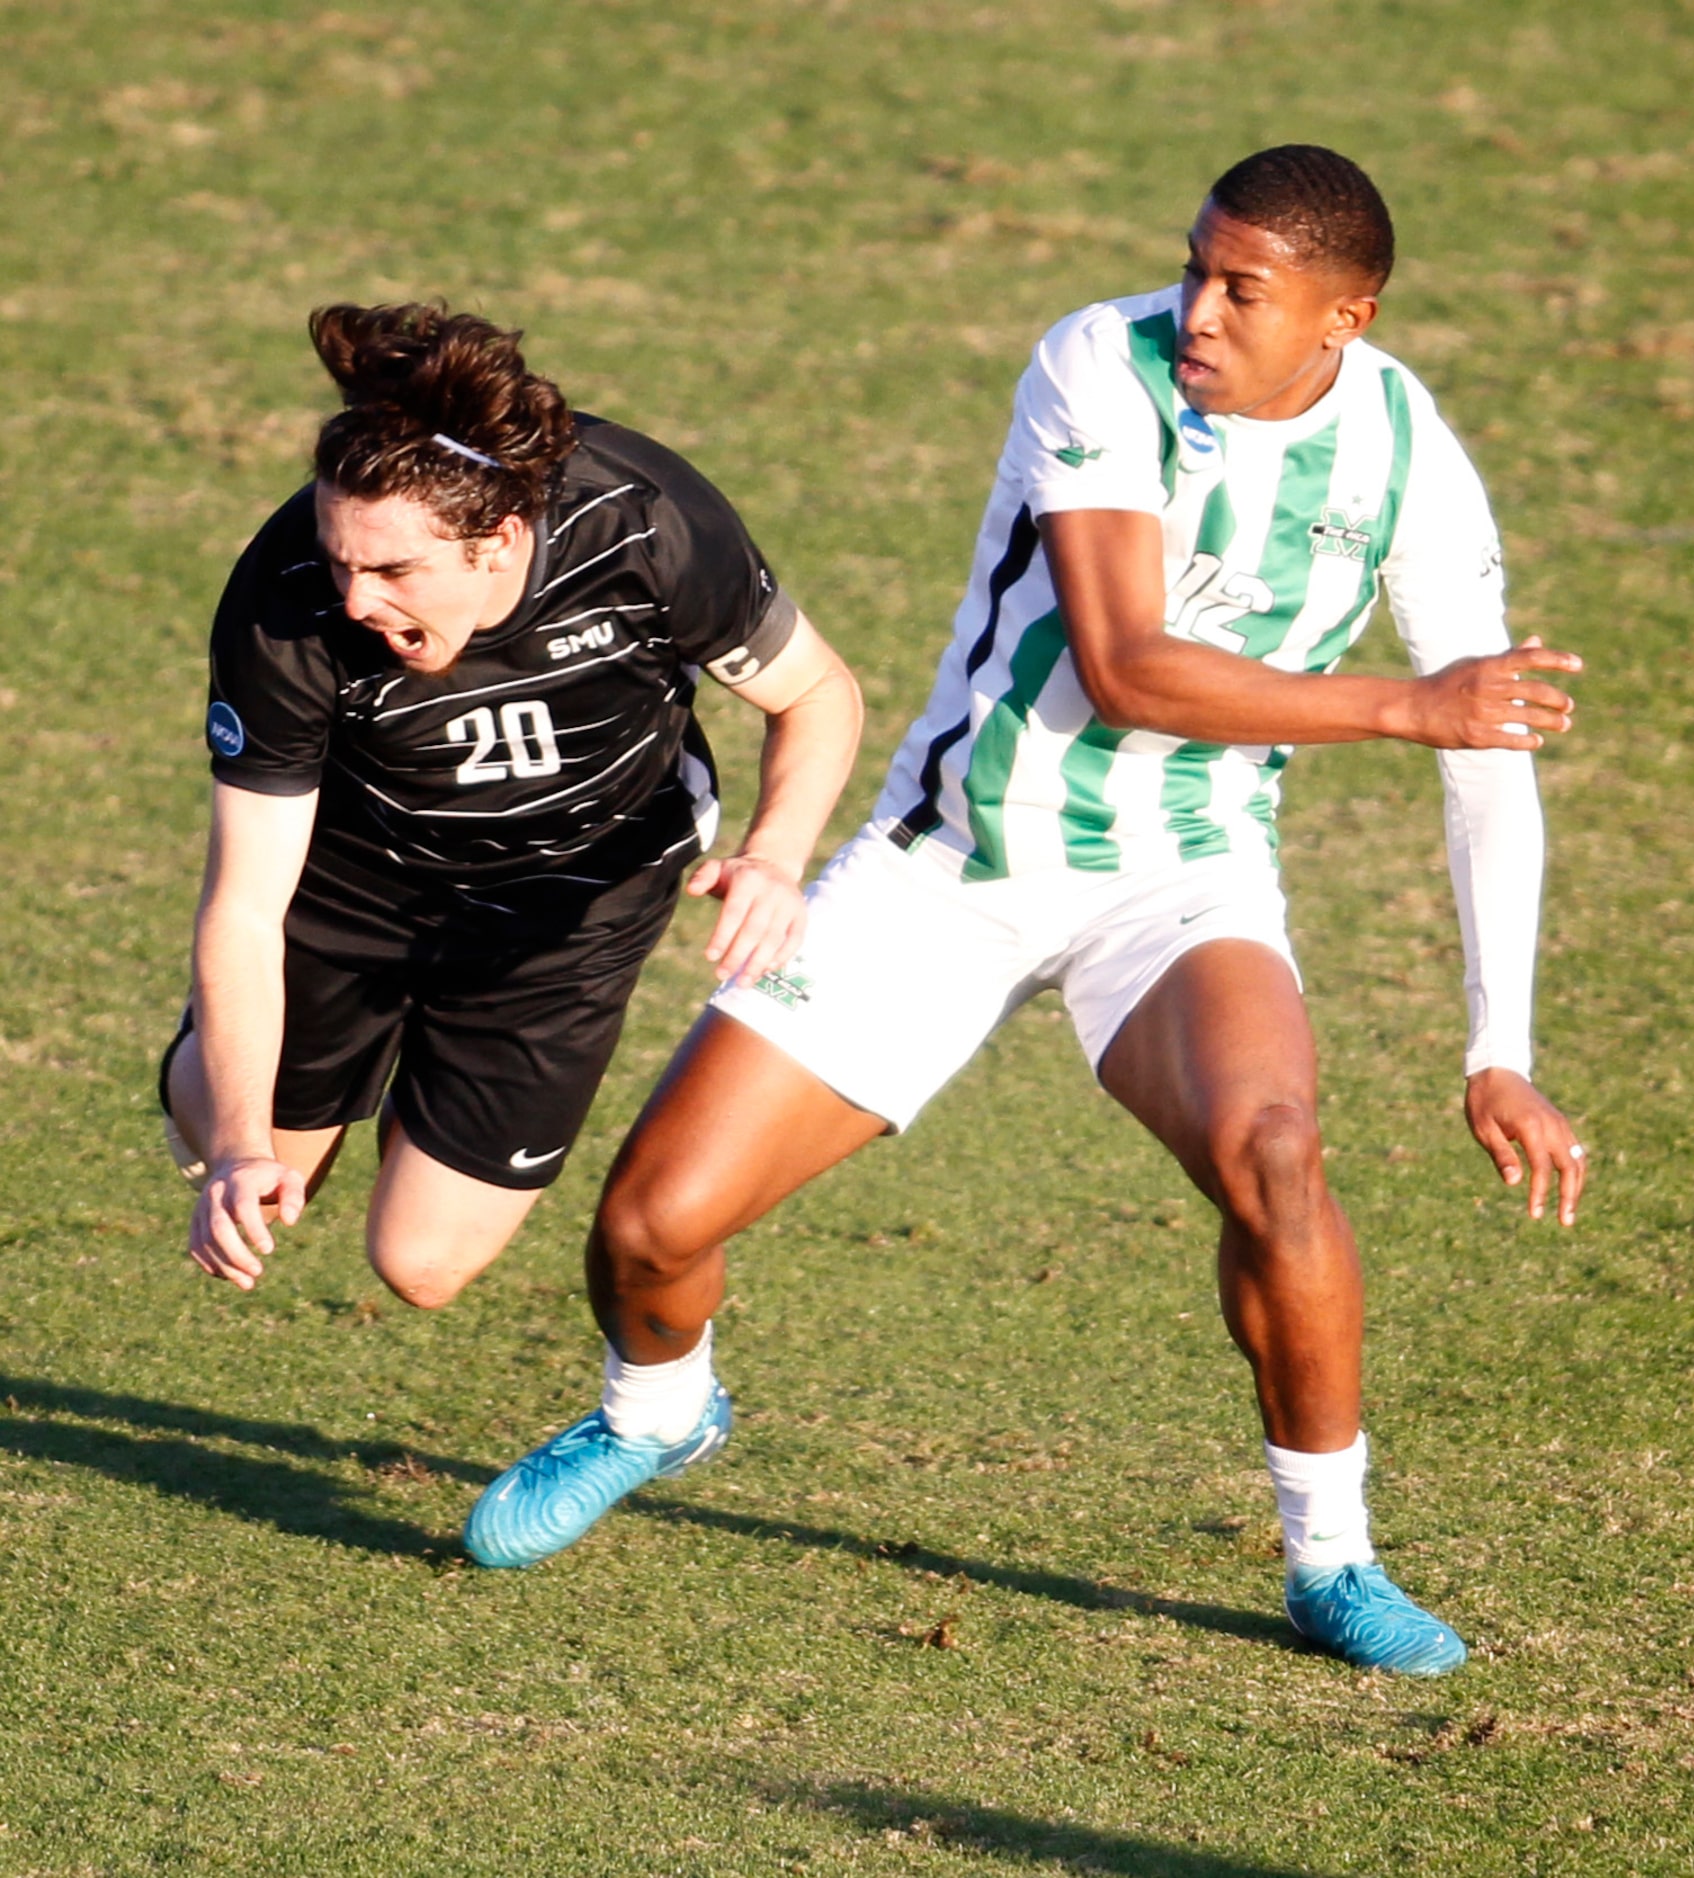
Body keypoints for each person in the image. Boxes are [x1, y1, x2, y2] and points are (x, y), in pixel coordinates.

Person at [463, 148, 1586, 1676]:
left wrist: (1496, 1043)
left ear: (1343, 314)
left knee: (1275, 1153)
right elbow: (1124, 664)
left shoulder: (1408, 457)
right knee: (649, 1227)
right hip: (950, 864)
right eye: (1193, 266)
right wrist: (1406, 703)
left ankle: (1330, 1556)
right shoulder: (1096, 364)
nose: (1196, 307)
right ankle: (658, 1413)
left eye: (1240, 289)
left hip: (1180, 878)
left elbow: (1488, 749)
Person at [161, 302, 861, 1320]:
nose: (354, 599)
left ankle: (434, 1079)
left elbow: (815, 693)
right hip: (355, 889)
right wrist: (231, 1149)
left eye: (395, 569)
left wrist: (774, 855)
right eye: (340, 556)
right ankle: (236, 1076)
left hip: (572, 904)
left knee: (423, 1266)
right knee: (273, 1176)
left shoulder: (644, 525)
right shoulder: (287, 599)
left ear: (497, 543)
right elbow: (243, 908)